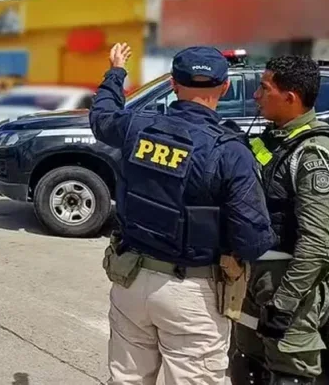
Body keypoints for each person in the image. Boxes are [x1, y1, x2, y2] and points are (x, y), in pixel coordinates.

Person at [89, 43, 275, 385]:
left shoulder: (137, 127)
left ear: (173, 83)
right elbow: (251, 241)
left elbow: (101, 118)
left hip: (130, 280)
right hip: (192, 294)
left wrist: (116, 71)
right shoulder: (230, 151)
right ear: (225, 87)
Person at [232, 56, 329, 385]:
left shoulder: (315, 154)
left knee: (289, 372)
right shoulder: (277, 138)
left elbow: (318, 244)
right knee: (246, 363)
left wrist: (284, 304)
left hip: (286, 284)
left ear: (290, 98)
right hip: (255, 277)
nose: (257, 96)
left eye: (264, 88)